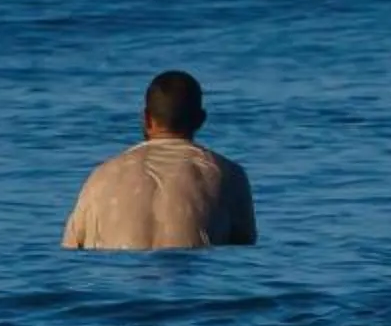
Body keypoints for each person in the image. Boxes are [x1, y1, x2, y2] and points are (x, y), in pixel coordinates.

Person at [61, 70, 258, 249]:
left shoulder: (101, 177)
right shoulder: (228, 175)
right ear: (200, 120)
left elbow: (70, 250)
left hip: (116, 274)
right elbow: (243, 251)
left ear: (146, 118)